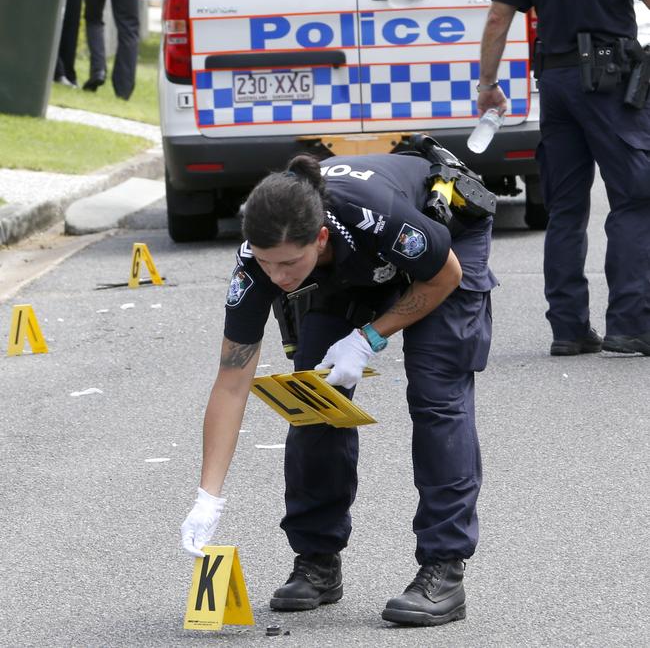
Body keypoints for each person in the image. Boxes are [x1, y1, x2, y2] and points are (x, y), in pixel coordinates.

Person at [181, 147, 498, 627]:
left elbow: (444, 275)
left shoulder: (376, 215)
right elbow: (230, 383)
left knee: (436, 395)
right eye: (267, 265)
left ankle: (443, 569)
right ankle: (318, 560)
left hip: (442, 249)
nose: (278, 279)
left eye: (289, 264)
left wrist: (368, 339)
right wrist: (208, 497)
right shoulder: (258, 262)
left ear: (321, 237)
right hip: (351, 272)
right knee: (313, 401)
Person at [477, 0, 650, 357]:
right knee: (636, 198)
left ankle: (569, 330)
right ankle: (629, 323)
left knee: (567, 207)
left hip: (554, 85)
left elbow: (497, 18)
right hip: (612, 85)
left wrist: (488, 86)